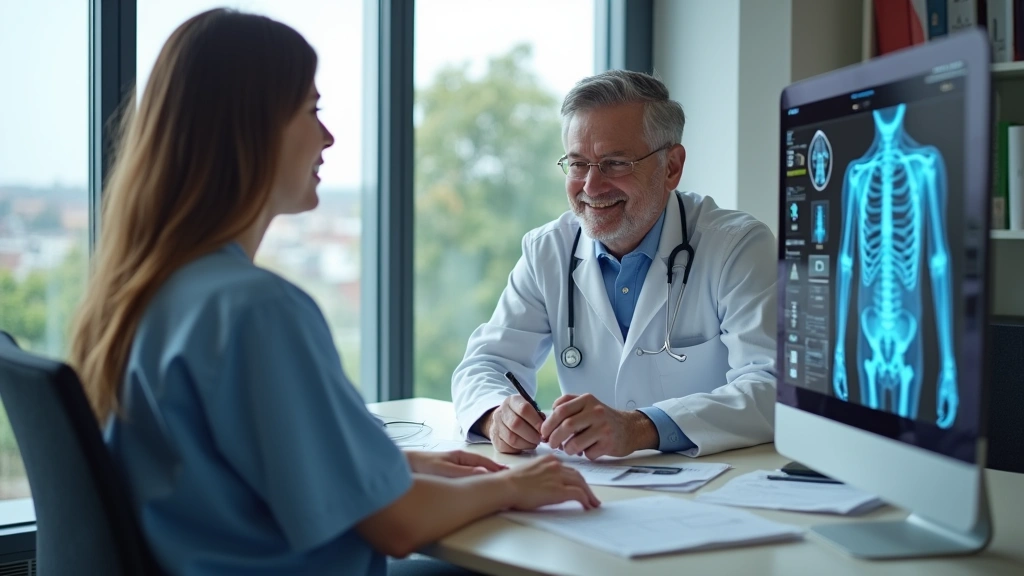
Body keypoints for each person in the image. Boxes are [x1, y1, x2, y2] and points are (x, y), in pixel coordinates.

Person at [68, 9, 598, 576]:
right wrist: (516, 486)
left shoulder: (146, 293)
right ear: (249, 130)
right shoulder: (255, 310)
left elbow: (237, 468)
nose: (328, 136)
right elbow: (397, 524)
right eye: (311, 111)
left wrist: (403, 464)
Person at [452, 70, 777, 460]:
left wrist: (641, 427)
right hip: (598, 492)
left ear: (671, 167)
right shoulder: (548, 251)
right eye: (577, 164)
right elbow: (485, 363)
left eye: (615, 163)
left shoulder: (737, 247)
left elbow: (772, 387)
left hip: (719, 489)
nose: (591, 186)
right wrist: (495, 415)